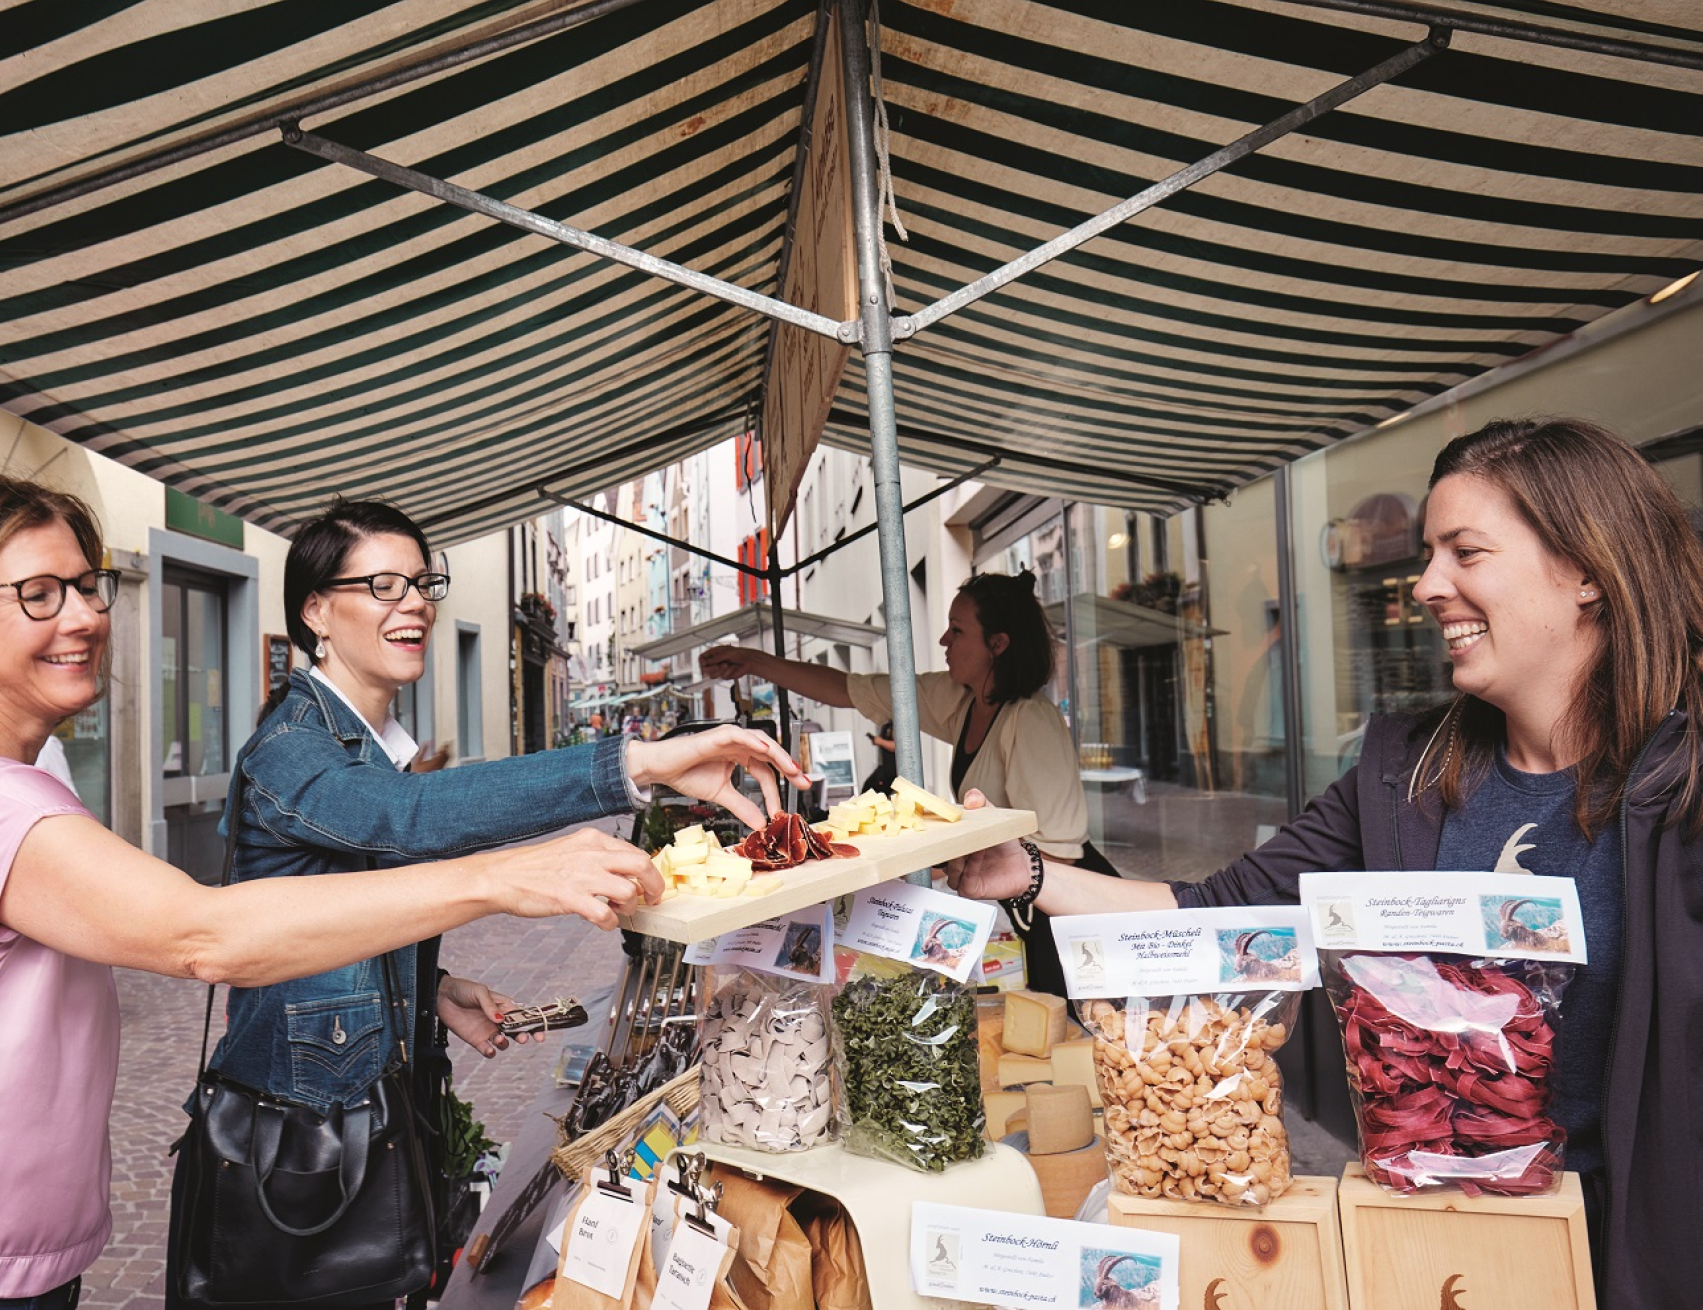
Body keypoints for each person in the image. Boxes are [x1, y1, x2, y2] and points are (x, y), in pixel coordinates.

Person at [0, 474, 690, 1310]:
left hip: (4, 1276)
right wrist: (504, 872)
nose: (86, 616)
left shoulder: (14, 782)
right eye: (37, 595)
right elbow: (202, 935)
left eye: (86, 586)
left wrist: (424, 983)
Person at [940, 419, 1703, 1310]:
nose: (1425, 585)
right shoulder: (1402, 772)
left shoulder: (1680, 787)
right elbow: (1219, 914)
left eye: (1466, 552)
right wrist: (1028, 874)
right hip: (1428, 1244)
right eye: (1427, 554)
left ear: (1586, 571)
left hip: (1644, 1253)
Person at [176, 499, 806, 1306]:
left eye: (421, 582)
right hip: (299, 1146)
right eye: (381, 585)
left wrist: (430, 989)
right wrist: (635, 764)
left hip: (357, 1127)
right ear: (314, 611)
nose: (413, 603)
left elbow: (332, 912)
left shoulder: (359, 744)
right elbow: (411, 820)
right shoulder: (293, 748)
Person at [699, 572, 1096, 988]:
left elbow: (1060, 855)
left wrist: (938, 867)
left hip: (1061, 919)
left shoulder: (1031, 721)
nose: (944, 640)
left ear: (997, 644)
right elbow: (849, 689)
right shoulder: (965, 698)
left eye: (957, 631)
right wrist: (754, 662)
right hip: (1013, 909)